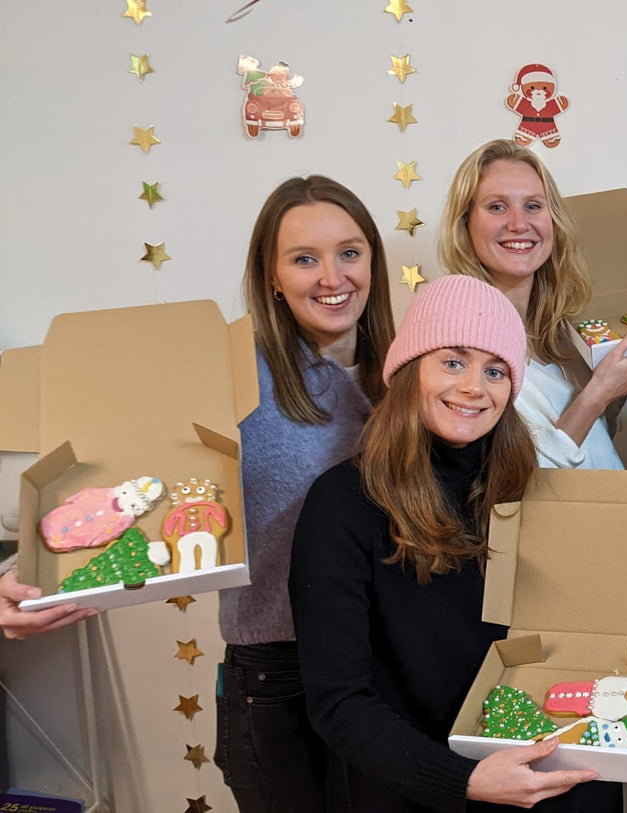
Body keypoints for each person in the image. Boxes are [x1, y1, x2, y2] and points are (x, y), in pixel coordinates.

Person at [289, 275, 602, 811]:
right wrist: (463, 780)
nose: (474, 387)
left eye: (495, 369)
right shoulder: (341, 503)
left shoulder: (531, 488)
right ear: (409, 371)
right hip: (416, 789)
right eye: (453, 362)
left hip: (545, 772)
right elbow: (339, 703)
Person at [213, 175, 396, 811]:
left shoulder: (417, 368)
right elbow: (134, 476)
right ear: (271, 274)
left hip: (391, 672)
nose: (332, 277)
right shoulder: (234, 376)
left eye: (349, 252)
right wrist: (35, 572)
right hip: (280, 679)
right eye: (304, 259)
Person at [438, 139, 627, 470]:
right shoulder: (459, 342)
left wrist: (619, 383)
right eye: (497, 207)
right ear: (465, 223)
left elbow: (590, 440)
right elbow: (507, 481)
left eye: (534, 206)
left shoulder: (559, 331)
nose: (519, 224)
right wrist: (597, 395)